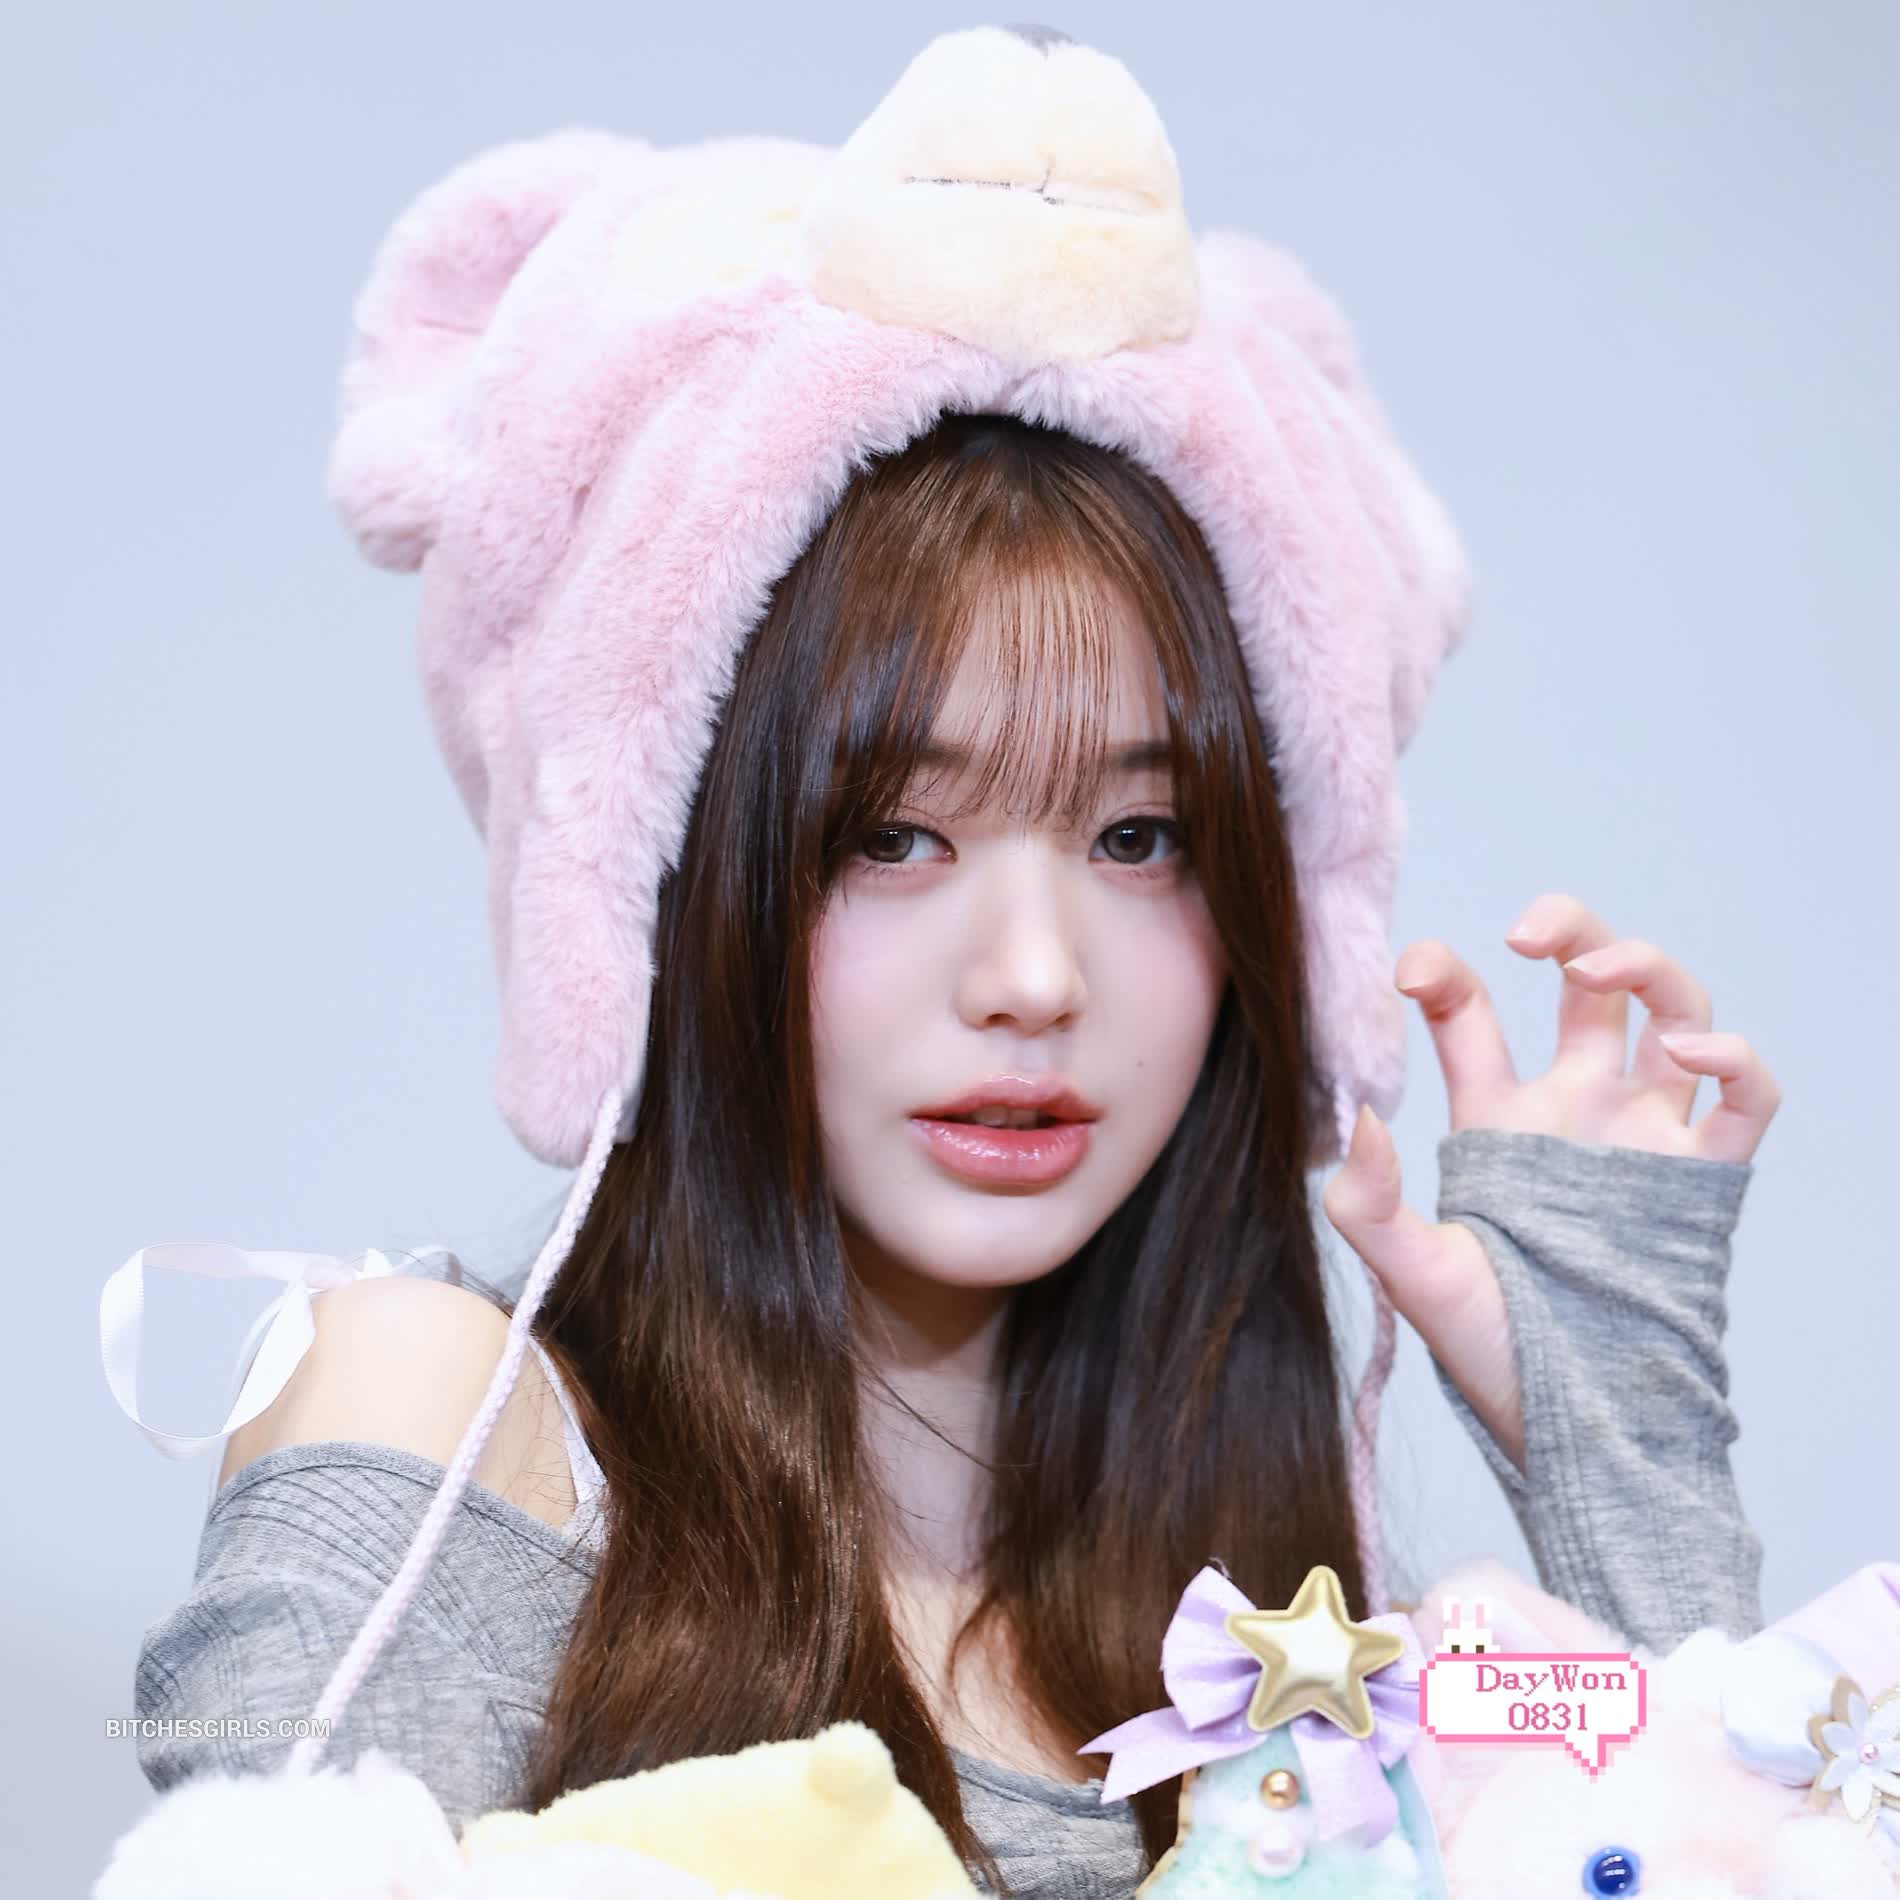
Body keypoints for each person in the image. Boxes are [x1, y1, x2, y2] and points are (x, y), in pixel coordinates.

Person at [98, 25, 1779, 1899]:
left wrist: (1614, 1431)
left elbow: (1739, 1847)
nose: (1036, 976)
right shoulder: (446, 1425)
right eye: (894, 835)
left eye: (1140, 839)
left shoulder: (1294, 1655)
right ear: (662, 879)